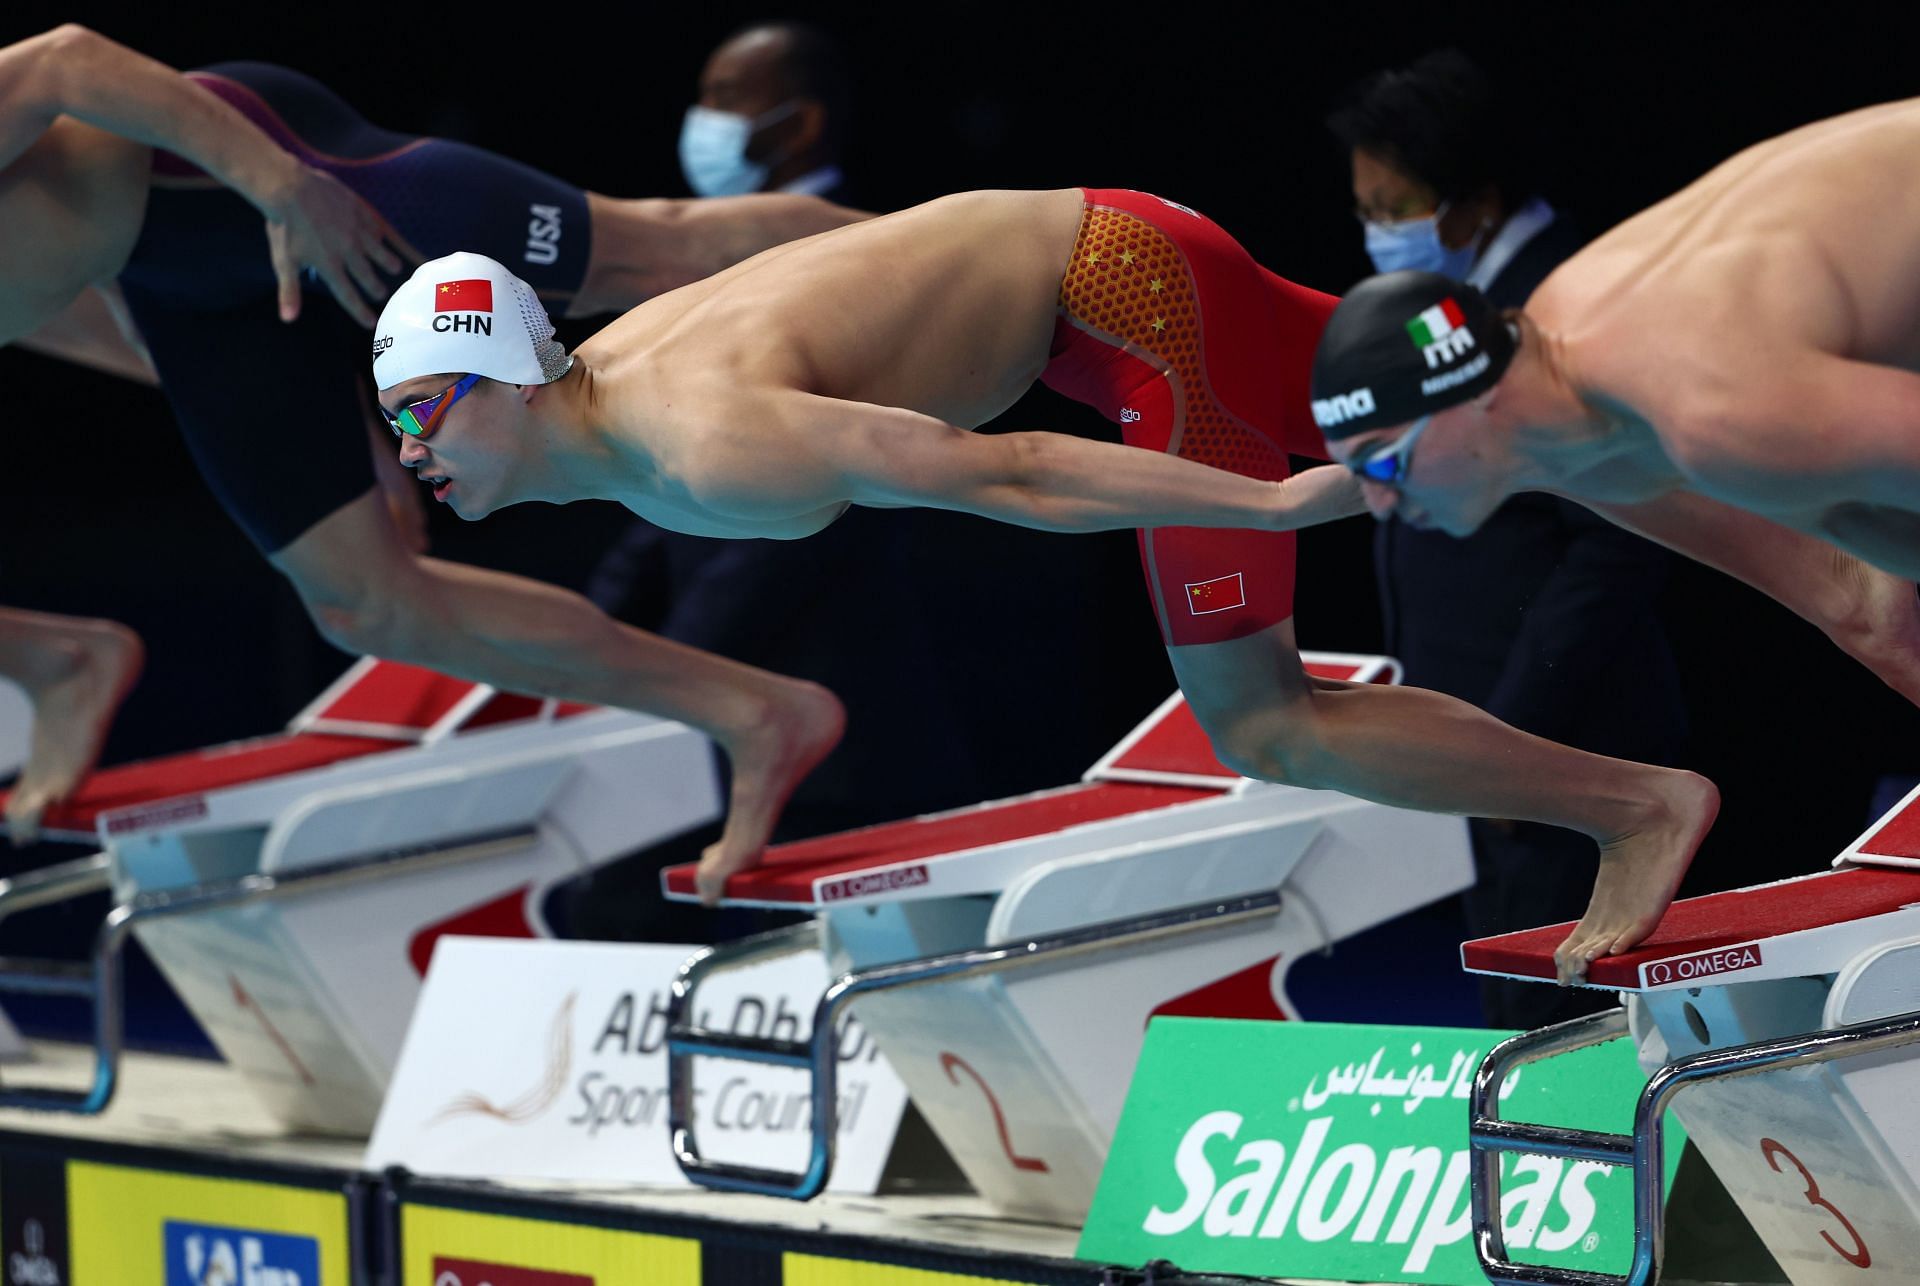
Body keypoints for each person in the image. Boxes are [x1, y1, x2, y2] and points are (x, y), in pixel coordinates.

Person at [373, 188, 1742, 982]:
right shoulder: (608, 396)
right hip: (1117, 260)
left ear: (507, 373)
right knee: (1544, 417)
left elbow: (1017, 471)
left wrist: (1271, 499)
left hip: (1131, 308)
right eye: (397, 422)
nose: (412, 448)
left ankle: (1634, 804)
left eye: (425, 409)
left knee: (1264, 722)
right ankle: (1848, 575)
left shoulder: (707, 438)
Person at [0, 25, 865, 875]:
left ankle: (976, 245)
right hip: (183, 290)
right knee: (366, 608)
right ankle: (754, 714)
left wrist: (283, 185)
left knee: (651, 254)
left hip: (239, 172)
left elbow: (63, 61)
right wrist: (351, 433)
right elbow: (58, 298)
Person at [1309, 95, 1920, 703]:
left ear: (1467, 401)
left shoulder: (1711, 410)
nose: (1380, 504)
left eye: (1382, 462)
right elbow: (1862, 597)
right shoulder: (1578, 417)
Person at [1329, 50, 1684, 1026]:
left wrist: (1517, 739)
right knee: (1516, 1021)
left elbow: (1618, 544)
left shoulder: (1565, 306)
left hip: (1567, 736)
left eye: (1392, 206)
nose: (1376, 232)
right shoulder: (1441, 312)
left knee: (1575, 1037)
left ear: (1474, 199)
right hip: (1489, 740)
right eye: (1366, 209)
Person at [678, 20, 852, 201]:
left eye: (726, 99)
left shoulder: (852, 225)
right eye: (704, 98)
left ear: (801, 125)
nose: (704, 115)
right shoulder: (734, 225)